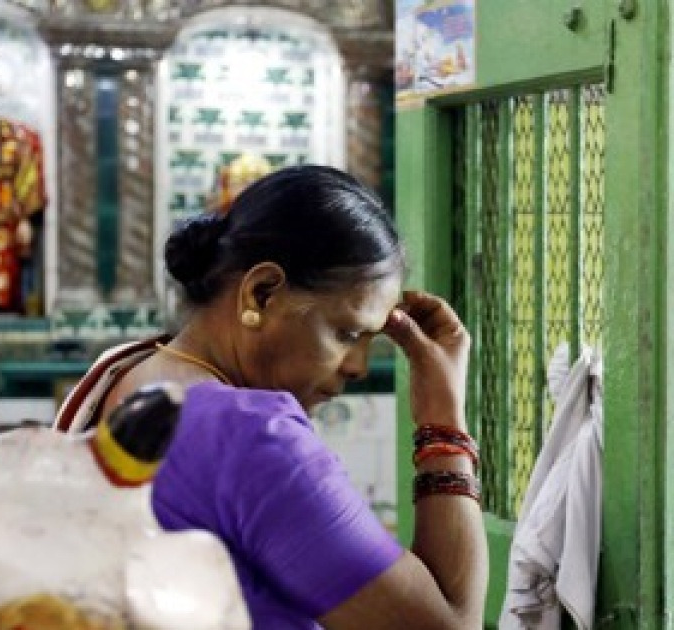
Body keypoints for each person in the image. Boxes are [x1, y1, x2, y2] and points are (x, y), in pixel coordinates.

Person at [54, 165, 487, 629]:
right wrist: (443, 422)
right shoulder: (253, 438)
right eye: (346, 333)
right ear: (261, 294)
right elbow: (451, 624)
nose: (358, 366)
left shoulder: (125, 369)